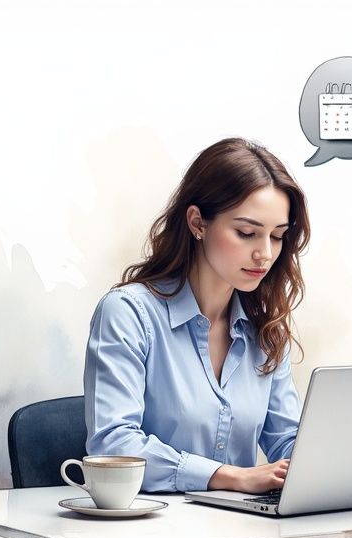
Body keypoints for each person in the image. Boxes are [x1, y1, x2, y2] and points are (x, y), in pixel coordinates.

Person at [82, 137, 311, 494]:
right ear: (197, 223)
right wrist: (230, 476)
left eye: (278, 236)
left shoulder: (265, 331)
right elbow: (114, 445)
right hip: (149, 534)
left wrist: (321, 464)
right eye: (247, 233)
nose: (265, 254)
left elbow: (286, 439)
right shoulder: (129, 314)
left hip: (240, 531)